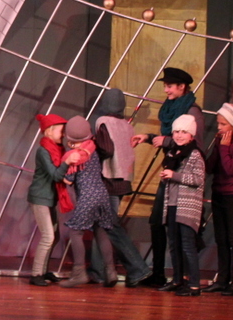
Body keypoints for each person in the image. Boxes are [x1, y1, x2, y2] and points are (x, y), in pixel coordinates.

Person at [131, 67, 204, 287]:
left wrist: (166, 141)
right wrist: (148, 137)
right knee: (158, 222)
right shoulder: (172, 108)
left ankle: (183, 278)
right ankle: (160, 274)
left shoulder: (192, 111)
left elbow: (194, 144)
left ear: (182, 87)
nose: (166, 90)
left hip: (182, 176)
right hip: (170, 174)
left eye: (170, 86)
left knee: (179, 229)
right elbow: (171, 137)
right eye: (165, 86)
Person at [89, 88, 153, 287]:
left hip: (108, 179)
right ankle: (99, 271)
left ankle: (138, 269)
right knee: (102, 226)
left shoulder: (103, 122)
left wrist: (92, 146)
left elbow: (107, 150)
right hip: (123, 180)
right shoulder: (127, 125)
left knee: (109, 226)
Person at [57, 116, 118, 288]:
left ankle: (79, 273)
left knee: (75, 232)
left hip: (88, 196)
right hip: (102, 195)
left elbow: (68, 179)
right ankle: (111, 272)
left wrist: (62, 167)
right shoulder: (93, 149)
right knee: (101, 232)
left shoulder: (76, 156)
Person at [204, 102, 233, 296]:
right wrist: (217, 148)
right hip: (218, 192)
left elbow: (231, 169)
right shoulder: (221, 141)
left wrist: (224, 148)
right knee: (221, 238)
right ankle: (222, 280)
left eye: (223, 124)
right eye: (218, 123)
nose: (219, 127)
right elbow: (211, 167)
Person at [158, 114, 205, 296]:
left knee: (187, 245)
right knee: (174, 244)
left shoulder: (195, 155)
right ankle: (177, 280)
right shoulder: (172, 153)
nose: (179, 135)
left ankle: (194, 285)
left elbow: (198, 179)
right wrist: (166, 177)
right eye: (176, 131)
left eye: (184, 132)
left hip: (186, 207)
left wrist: (174, 175)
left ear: (191, 135)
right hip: (172, 204)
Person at [26, 113, 69, 286]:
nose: (63, 135)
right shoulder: (43, 151)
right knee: (48, 236)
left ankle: (43, 271)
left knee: (54, 236)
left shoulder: (58, 150)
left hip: (49, 198)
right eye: (61, 131)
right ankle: (36, 274)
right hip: (40, 198)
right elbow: (55, 174)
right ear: (49, 131)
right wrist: (68, 163)